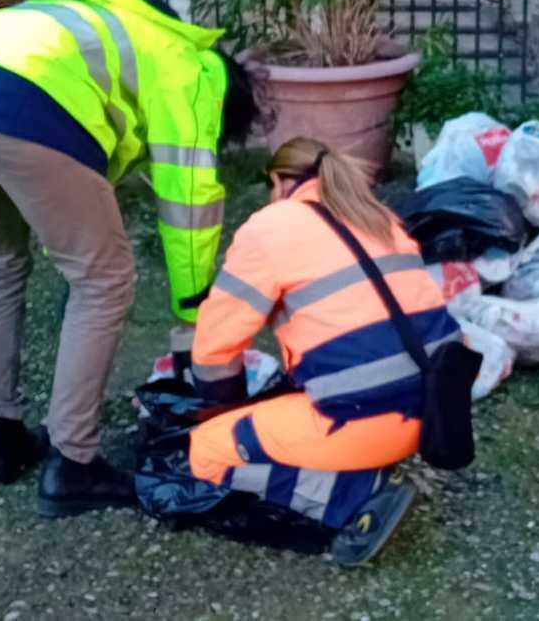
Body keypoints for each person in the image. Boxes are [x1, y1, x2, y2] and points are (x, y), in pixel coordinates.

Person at [0, 0, 260, 517]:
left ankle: (0, 439)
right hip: (22, 104)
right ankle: (72, 464)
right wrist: (193, 310)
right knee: (103, 279)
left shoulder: (107, 25)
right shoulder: (193, 70)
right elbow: (190, 206)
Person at [186, 137, 461, 565]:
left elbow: (216, 343)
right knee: (293, 412)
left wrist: (221, 406)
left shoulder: (269, 225)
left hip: (364, 421)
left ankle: (354, 496)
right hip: (436, 414)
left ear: (277, 183)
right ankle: (355, 463)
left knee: (206, 452)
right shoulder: (380, 218)